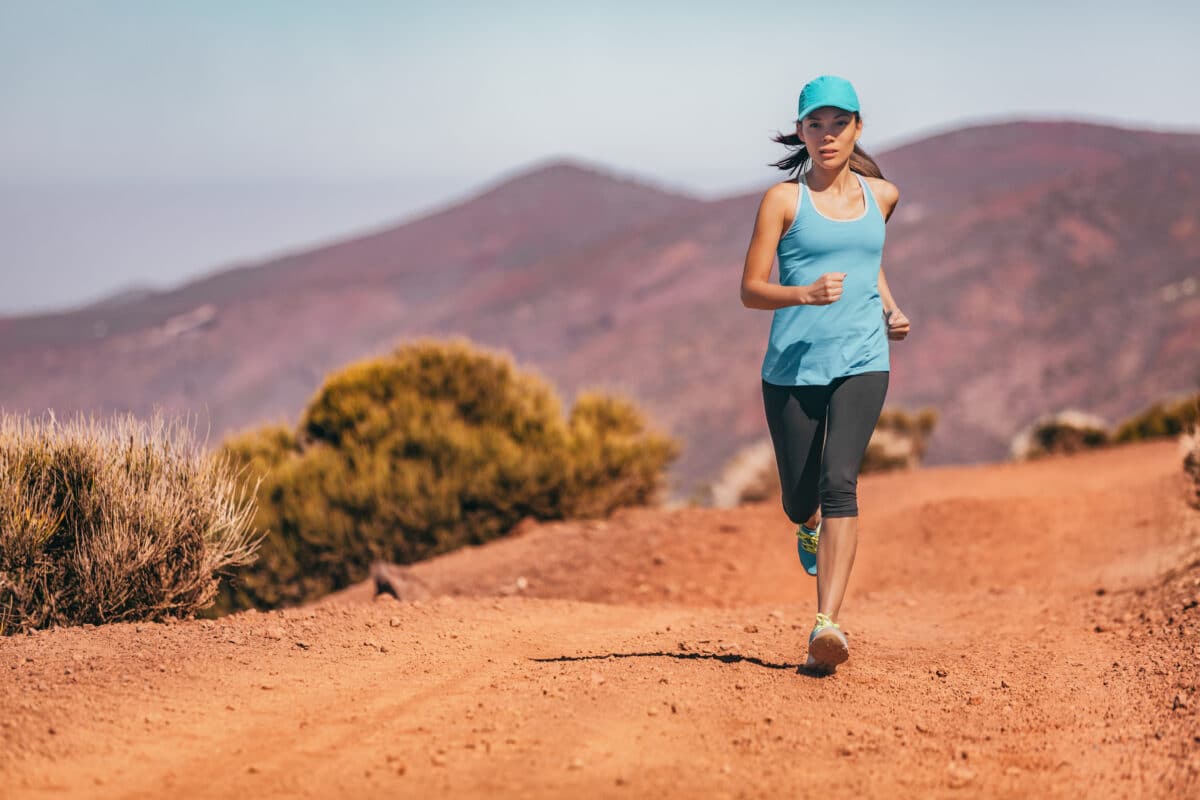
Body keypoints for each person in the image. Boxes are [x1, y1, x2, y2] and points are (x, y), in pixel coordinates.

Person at [739, 75, 910, 673]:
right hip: (791, 369)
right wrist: (804, 295)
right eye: (816, 124)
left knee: (842, 480)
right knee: (799, 497)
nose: (828, 133)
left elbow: (869, 261)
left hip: (865, 360)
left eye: (839, 123)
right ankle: (805, 525)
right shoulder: (783, 201)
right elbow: (750, 291)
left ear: (858, 128)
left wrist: (889, 306)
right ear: (802, 133)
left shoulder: (881, 196)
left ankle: (826, 624)